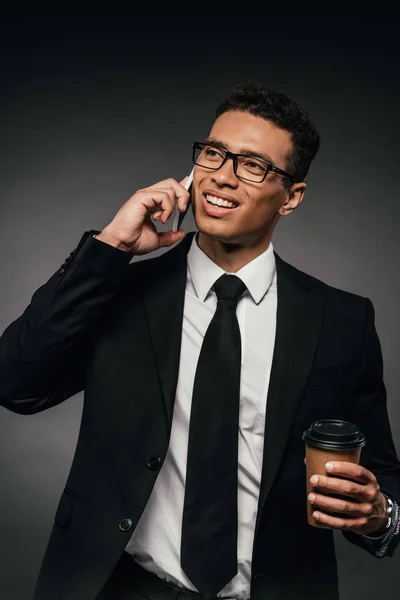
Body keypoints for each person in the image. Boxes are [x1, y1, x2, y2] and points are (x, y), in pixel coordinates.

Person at [1, 83, 399, 600]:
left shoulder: (343, 320)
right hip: (119, 588)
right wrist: (110, 248)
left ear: (291, 197)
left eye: (252, 165)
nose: (223, 176)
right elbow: (15, 384)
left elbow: (381, 475)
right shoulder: (121, 292)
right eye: (214, 153)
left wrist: (379, 515)